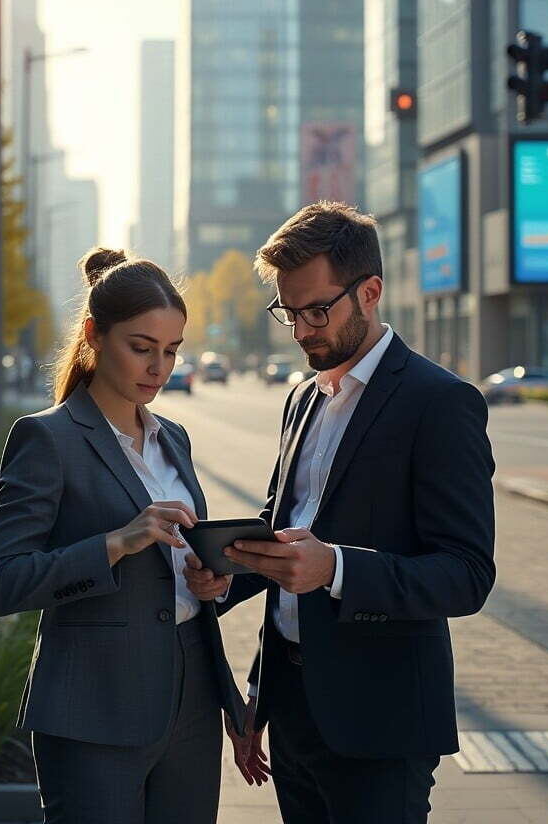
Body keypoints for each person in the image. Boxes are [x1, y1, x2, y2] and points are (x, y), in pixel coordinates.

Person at [185, 202, 496, 823]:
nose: (301, 330)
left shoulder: (440, 404)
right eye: (288, 313)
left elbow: (466, 575)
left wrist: (336, 569)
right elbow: (282, 535)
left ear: (371, 292)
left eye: (316, 311)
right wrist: (225, 579)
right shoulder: (303, 397)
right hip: (294, 708)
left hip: (383, 721)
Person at [0, 247, 245, 824]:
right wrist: (117, 543)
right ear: (95, 336)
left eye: (171, 351)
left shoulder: (174, 438)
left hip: (191, 695)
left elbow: (179, 577)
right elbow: (1, 584)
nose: (159, 368)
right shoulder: (47, 439)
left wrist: (207, 580)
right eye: (142, 348)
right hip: (92, 707)